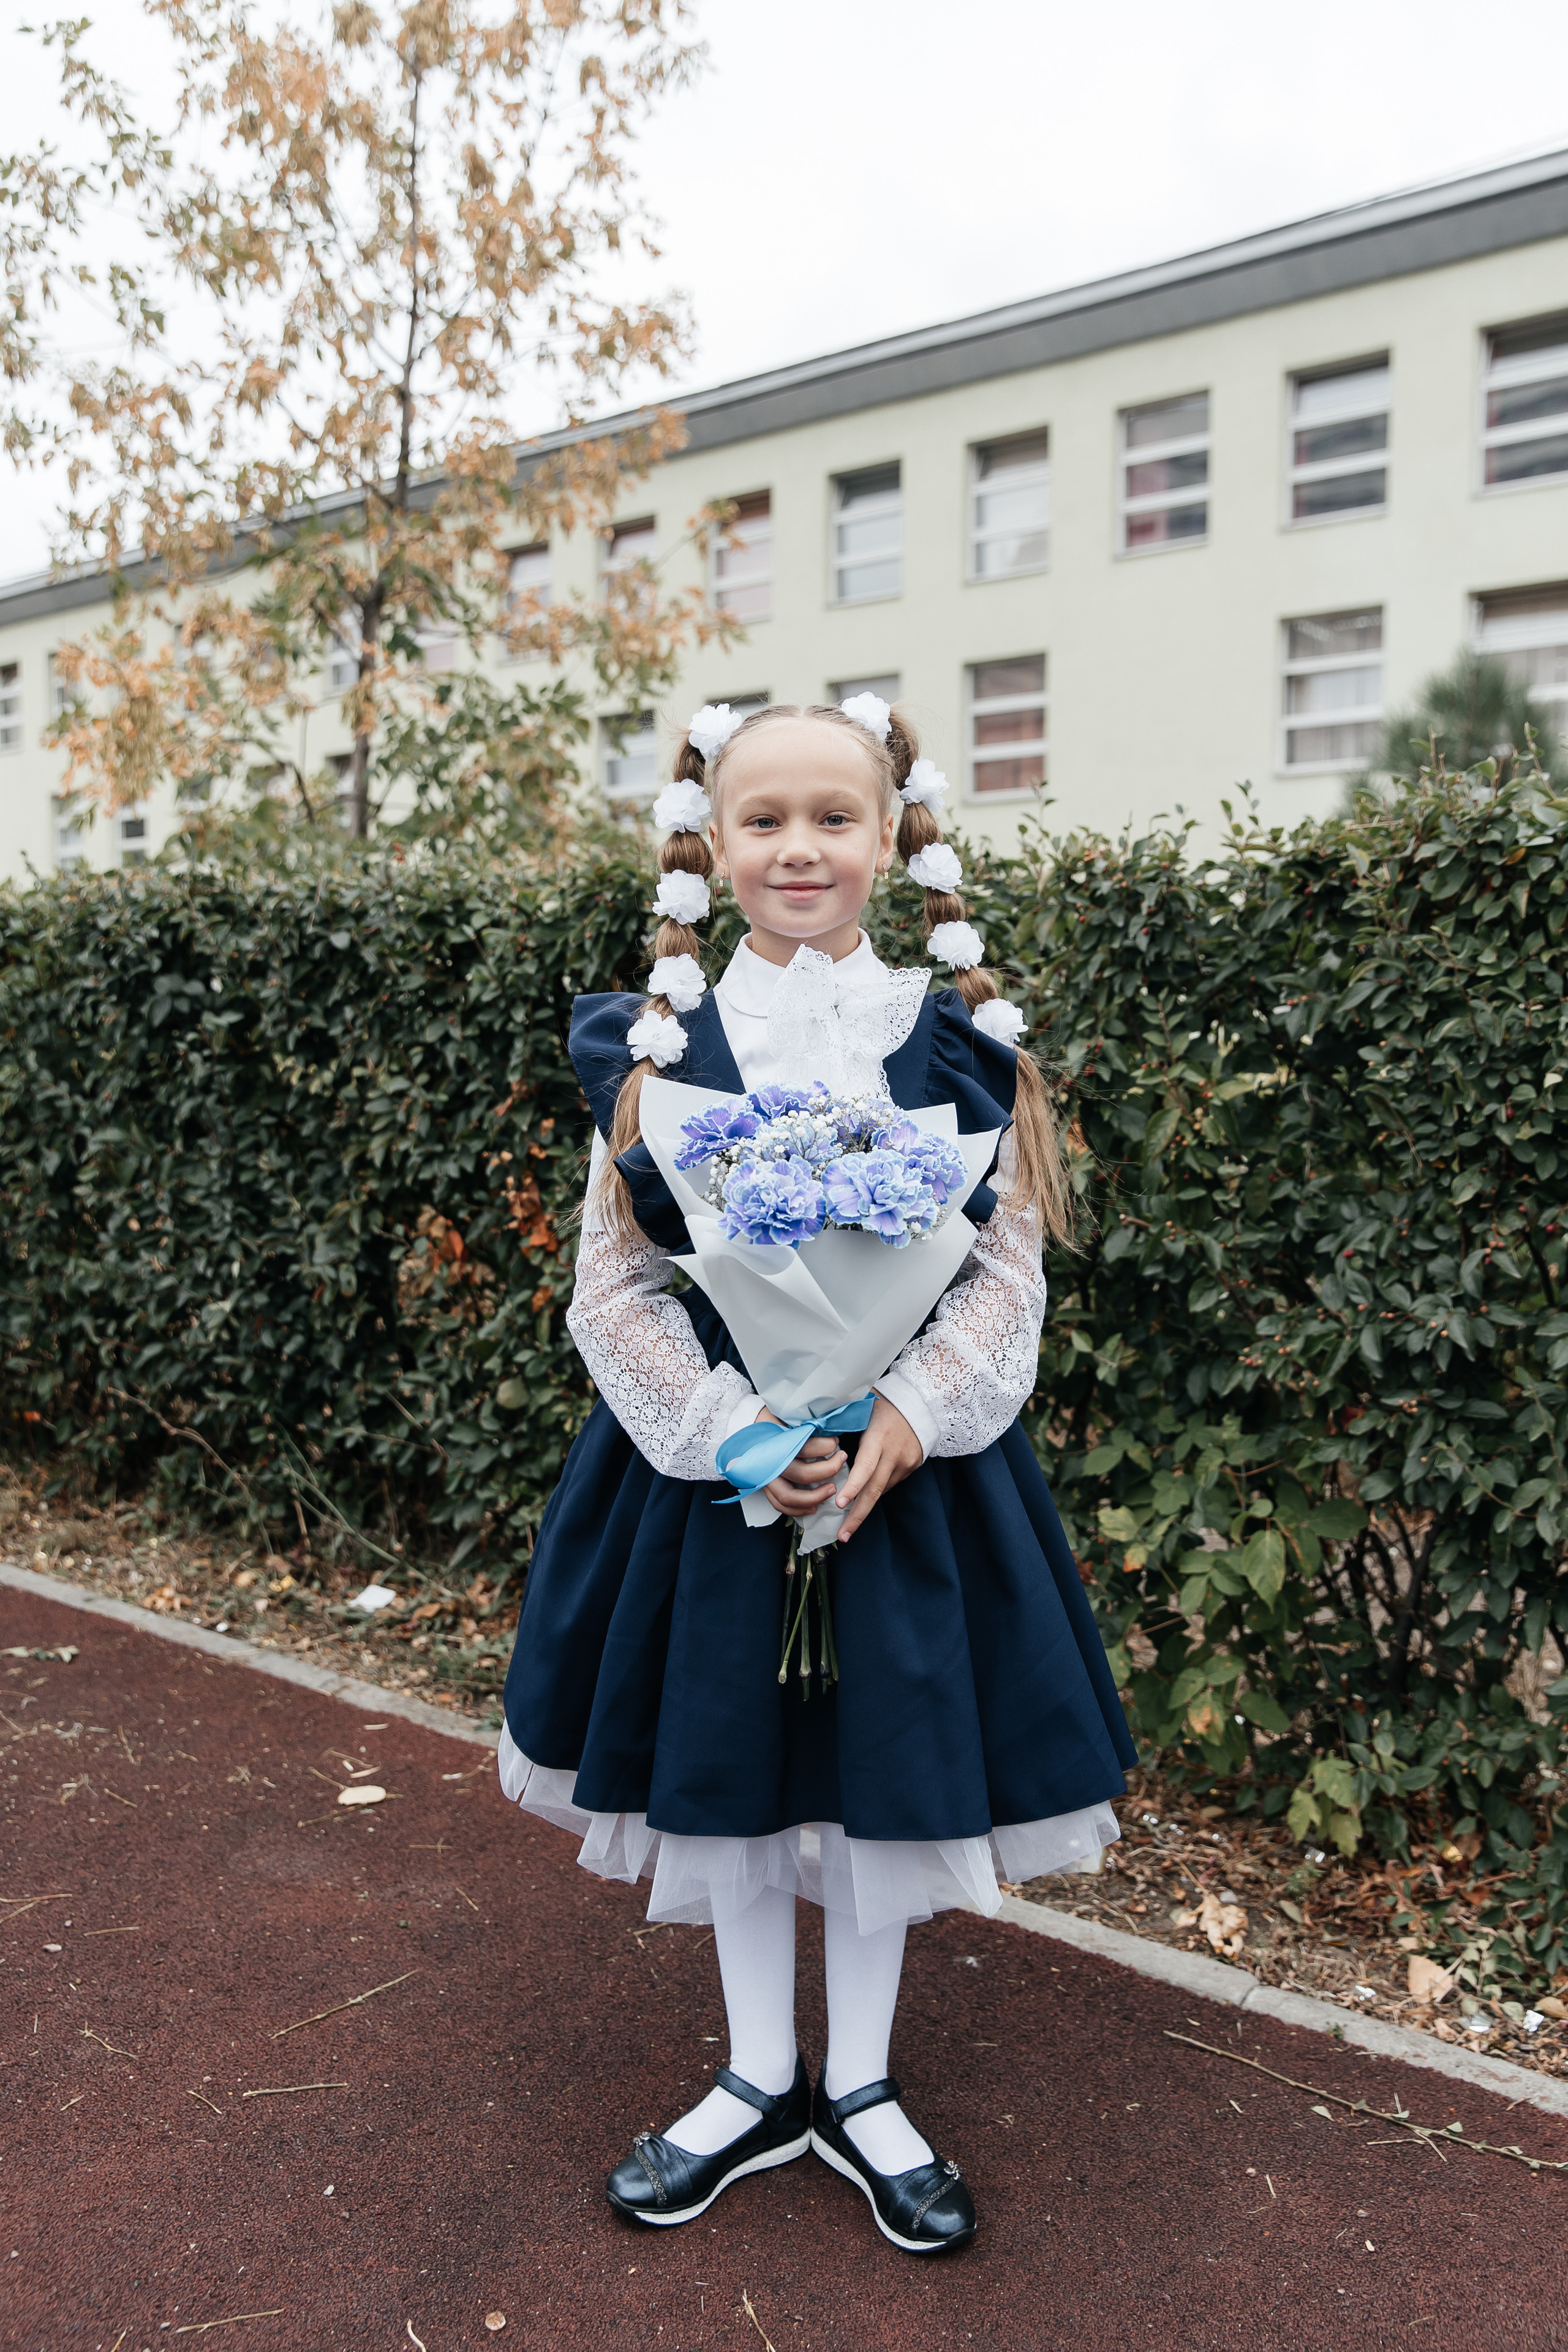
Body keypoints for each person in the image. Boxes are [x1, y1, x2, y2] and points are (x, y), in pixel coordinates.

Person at [499, 695, 1134, 2254]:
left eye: (833, 818)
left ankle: (858, 2083)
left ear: (890, 837)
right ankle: (756, 2077)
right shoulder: (660, 1046)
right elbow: (613, 1290)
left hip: (905, 1487)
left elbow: (1001, 1273)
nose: (799, 848)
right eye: (764, 819)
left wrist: (905, 1413)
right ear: (710, 845)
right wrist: (739, 1434)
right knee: (724, 1772)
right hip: (717, 1484)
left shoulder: (958, 1039)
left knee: (878, 1780)